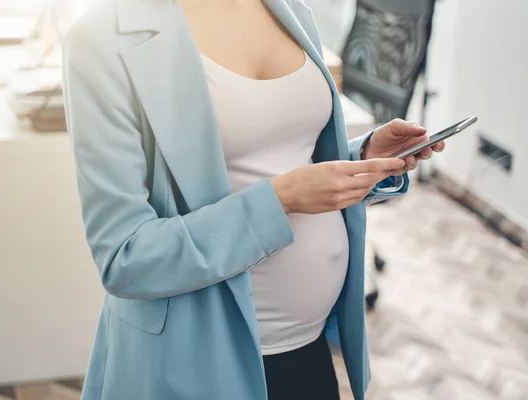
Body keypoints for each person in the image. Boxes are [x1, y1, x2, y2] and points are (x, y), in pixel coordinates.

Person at [61, 0, 444, 399]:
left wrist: (361, 160)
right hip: (194, 366)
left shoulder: (288, 7)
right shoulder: (100, 41)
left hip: (309, 350)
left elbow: (283, 155)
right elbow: (125, 257)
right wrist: (283, 199)